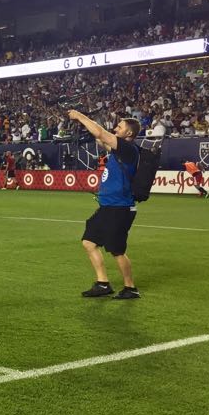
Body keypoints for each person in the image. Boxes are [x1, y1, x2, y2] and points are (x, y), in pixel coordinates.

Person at [69, 110, 141, 300]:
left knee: (117, 250)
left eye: (120, 127)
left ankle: (130, 288)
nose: (116, 128)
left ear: (129, 134)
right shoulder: (119, 149)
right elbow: (100, 138)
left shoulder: (128, 148)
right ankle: (103, 284)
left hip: (120, 208)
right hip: (108, 206)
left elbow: (101, 134)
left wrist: (80, 116)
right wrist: (90, 124)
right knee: (89, 242)